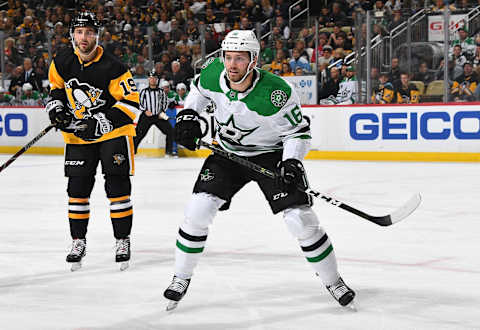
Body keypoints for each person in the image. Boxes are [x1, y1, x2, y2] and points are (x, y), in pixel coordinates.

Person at [163, 30, 355, 310]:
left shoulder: (275, 94)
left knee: (300, 220)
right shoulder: (212, 73)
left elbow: (298, 134)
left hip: (270, 156)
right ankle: (181, 277)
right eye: (228, 57)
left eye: (239, 59)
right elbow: (198, 94)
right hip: (227, 153)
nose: (231, 65)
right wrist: (190, 116)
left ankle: (333, 280)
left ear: (253, 61)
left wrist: (291, 162)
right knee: (197, 211)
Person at [46, 12, 140, 271]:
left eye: (89, 32)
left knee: (118, 187)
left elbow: (131, 104)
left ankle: (122, 239)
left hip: (114, 135)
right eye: (79, 32)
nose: (84, 37)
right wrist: (56, 108)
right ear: (72, 35)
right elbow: (55, 88)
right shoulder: (62, 61)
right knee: (77, 190)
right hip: (77, 135)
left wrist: (101, 121)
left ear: (97, 35)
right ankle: (78, 241)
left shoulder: (114, 66)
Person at [133, 71, 175, 156]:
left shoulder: (161, 91)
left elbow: (165, 102)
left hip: (158, 116)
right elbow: (139, 103)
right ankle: (132, 152)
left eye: (154, 78)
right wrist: (145, 110)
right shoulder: (143, 91)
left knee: (170, 132)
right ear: (148, 79)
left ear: (157, 80)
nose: (153, 80)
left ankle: (168, 152)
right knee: (138, 134)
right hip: (146, 116)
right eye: (151, 78)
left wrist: (162, 112)